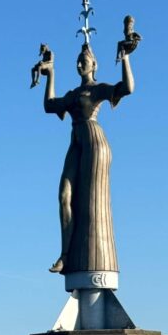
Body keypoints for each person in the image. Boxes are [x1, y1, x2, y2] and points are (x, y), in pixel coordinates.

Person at [40, 35, 135, 275]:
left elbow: (127, 88)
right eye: (78, 61)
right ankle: (65, 255)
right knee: (64, 196)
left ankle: (90, 256)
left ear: (94, 65)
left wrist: (125, 57)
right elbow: (50, 105)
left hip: (94, 140)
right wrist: (50, 73)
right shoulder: (73, 95)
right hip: (76, 141)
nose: (80, 64)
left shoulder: (97, 89)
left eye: (84, 60)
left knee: (93, 202)